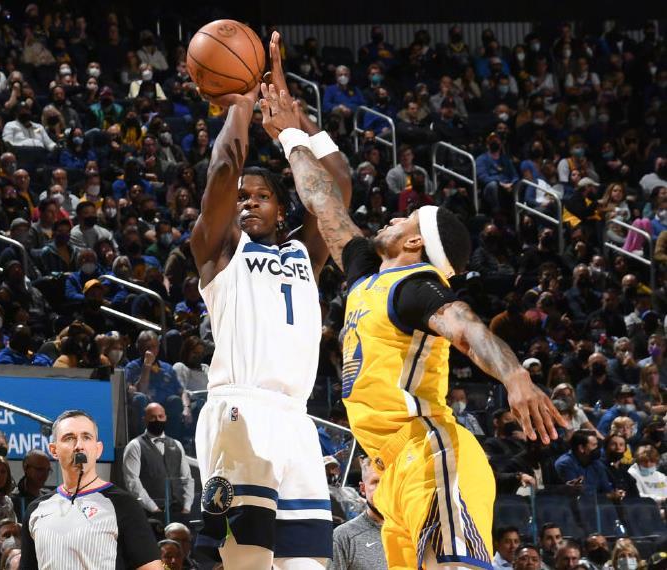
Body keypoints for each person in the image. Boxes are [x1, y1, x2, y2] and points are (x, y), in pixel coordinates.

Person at [259, 77, 564, 569]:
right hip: (392, 474)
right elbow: (324, 202)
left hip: (431, 454)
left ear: (416, 243)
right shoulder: (367, 275)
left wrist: (515, 376)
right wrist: (291, 135)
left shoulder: (416, 287)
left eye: (405, 220)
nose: (391, 219)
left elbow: (466, 327)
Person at [191, 32, 351, 569]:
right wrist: (239, 106)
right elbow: (222, 171)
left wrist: (294, 124)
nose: (247, 203)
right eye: (241, 198)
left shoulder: (305, 252)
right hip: (240, 411)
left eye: (261, 196)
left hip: (296, 422)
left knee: (306, 564)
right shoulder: (218, 253)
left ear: (283, 210)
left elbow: (338, 188)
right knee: (245, 562)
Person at [20, 410, 161, 569]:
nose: (79, 446)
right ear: (54, 450)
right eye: (69, 438)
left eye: (86, 437)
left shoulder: (123, 504)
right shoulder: (36, 510)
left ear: (98, 449)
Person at [122, 403, 194, 520]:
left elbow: (187, 478)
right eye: (153, 417)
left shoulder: (177, 445)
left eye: (160, 416)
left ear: (165, 418)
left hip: (178, 511)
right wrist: (154, 509)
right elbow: (132, 482)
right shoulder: (135, 446)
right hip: (149, 514)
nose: (157, 420)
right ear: (144, 420)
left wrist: (187, 507)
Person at [330, 457, 387, 570]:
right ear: (363, 488)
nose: (384, 489)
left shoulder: (415, 531)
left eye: (389, 482)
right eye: (376, 482)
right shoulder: (344, 537)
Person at [554, 430, 615, 497]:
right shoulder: (565, 464)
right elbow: (577, 493)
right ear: (581, 448)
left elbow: (607, 489)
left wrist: (614, 494)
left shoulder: (597, 463)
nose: (598, 449)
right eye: (594, 445)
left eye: (597, 445)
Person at [11, 449, 52, 520]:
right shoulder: (13, 499)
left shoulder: (49, 497)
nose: (45, 475)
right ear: (26, 468)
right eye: (40, 469)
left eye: (48, 470)